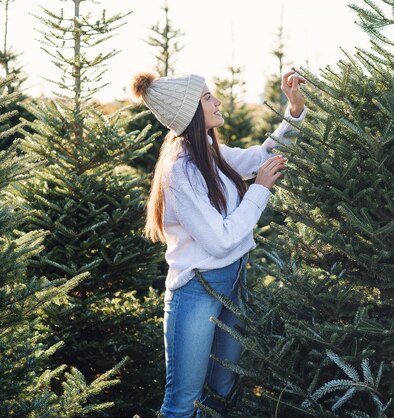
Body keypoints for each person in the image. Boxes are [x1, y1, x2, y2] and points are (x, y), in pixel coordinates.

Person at [131, 69, 307, 417]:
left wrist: (295, 110)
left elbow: (262, 157)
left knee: (221, 394)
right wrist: (260, 190)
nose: (217, 101)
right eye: (208, 97)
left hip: (233, 281)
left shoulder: (210, 153)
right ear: (191, 112)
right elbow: (222, 241)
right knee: (183, 402)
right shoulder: (181, 170)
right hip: (197, 290)